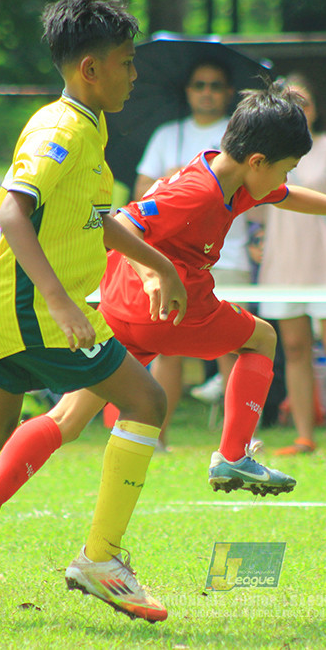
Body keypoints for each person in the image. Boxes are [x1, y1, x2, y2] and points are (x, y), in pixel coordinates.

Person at [0, 81, 326, 599]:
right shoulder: (198, 192)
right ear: (257, 160)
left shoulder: (223, 168)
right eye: (284, 166)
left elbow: (285, 195)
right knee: (262, 338)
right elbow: (121, 221)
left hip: (121, 305)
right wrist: (155, 274)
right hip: (170, 303)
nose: (285, 178)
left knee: (68, 417)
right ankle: (232, 454)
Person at [0, 0, 186, 623]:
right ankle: (101, 559)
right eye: (127, 62)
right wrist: (58, 301)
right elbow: (13, 209)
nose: (135, 75)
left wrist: (158, 263)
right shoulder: (61, 128)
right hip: (28, 304)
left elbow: (89, 218)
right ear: (91, 68)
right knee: (147, 401)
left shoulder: (88, 124)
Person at [133, 58, 249, 446]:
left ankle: (239, 442)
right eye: (199, 84)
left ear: (228, 92)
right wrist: (181, 183)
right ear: (187, 91)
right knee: (169, 351)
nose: (207, 92)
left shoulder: (238, 134)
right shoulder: (168, 135)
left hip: (229, 257)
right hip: (173, 261)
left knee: (235, 345)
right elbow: (141, 195)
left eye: (216, 85)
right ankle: (157, 437)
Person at [255, 74, 326, 457]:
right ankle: (305, 436)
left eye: (304, 100)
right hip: (283, 262)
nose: (299, 108)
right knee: (294, 347)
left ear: (316, 106)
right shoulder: (265, 153)